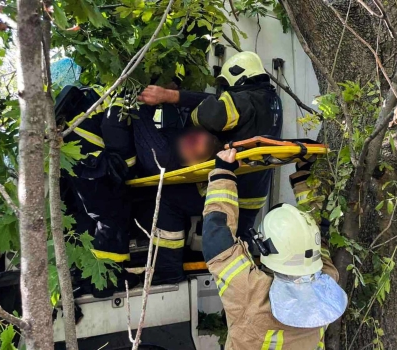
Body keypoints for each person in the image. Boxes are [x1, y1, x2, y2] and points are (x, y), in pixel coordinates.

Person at [200, 148, 348, 349]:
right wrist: (304, 176)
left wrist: (222, 173)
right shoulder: (327, 284)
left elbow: (217, 242)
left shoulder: (253, 296)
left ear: (264, 247)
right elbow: (317, 238)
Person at [138, 51, 283, 247]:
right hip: (254, 194)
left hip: (231, 188)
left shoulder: (245, 99)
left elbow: (211, 115)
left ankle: (168, 269)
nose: (225, 91)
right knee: (240, 244)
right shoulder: (273, 100)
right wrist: (173, 96)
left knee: (167, 198)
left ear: (237, 76)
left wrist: (192, 116)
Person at [57, 85, 141, 297]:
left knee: (87, 220)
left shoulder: (88, 97)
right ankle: (107, 281)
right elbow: (115, 128)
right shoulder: (118, 92)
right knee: (112, 220)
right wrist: (128, 166)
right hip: (96, 168)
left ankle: (88, 277)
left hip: (77, 167)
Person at [131, 104, 223, 284]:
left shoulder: (161, 157)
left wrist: (140, 102)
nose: (194, 141)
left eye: (197, 150)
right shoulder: (175, 138)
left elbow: (138, 112)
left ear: (193, 165)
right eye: (196, 137)